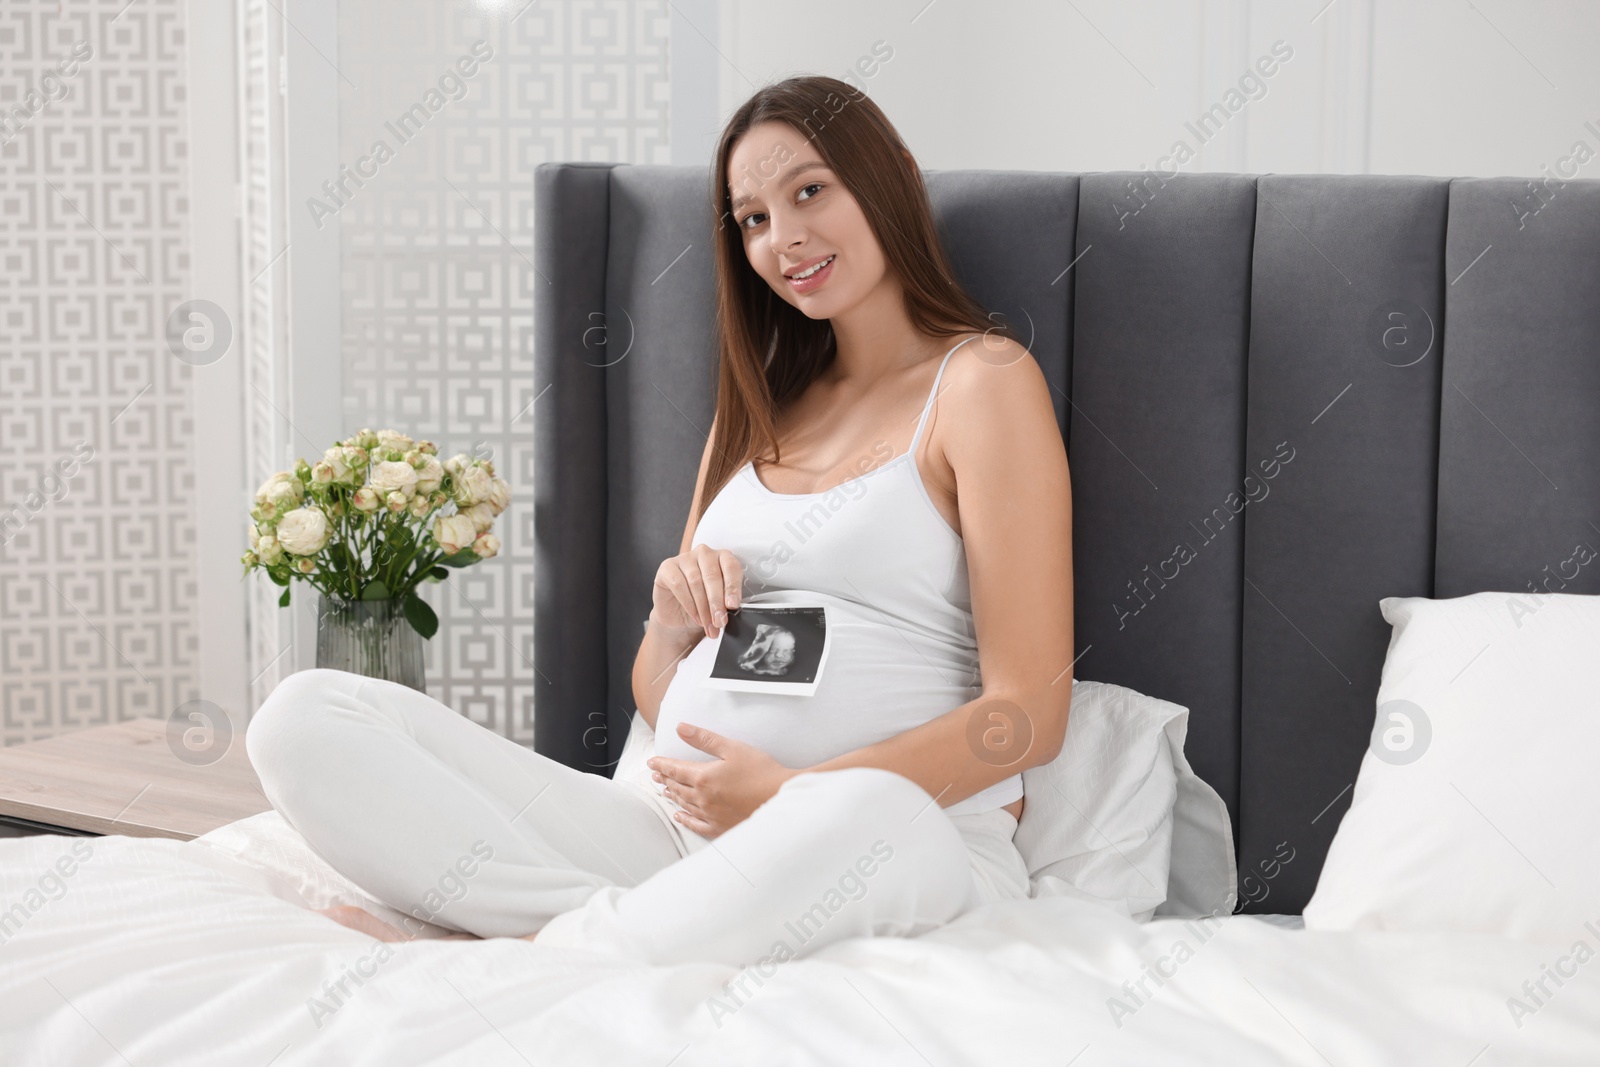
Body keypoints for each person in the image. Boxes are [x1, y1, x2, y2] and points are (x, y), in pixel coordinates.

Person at [247, 74, 1075, 968]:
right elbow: (661, 693)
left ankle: (527, 952)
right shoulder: (755, 408)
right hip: (669, 825)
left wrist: (789, 793)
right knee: (302, 718)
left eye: (809, 191)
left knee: (862, 811)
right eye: (752, 218)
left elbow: (1027, 714)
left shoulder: (982, 383)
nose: (784, 237)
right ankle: (623, 927)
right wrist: (668, 626)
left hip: (881, 837)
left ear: (893, 177)